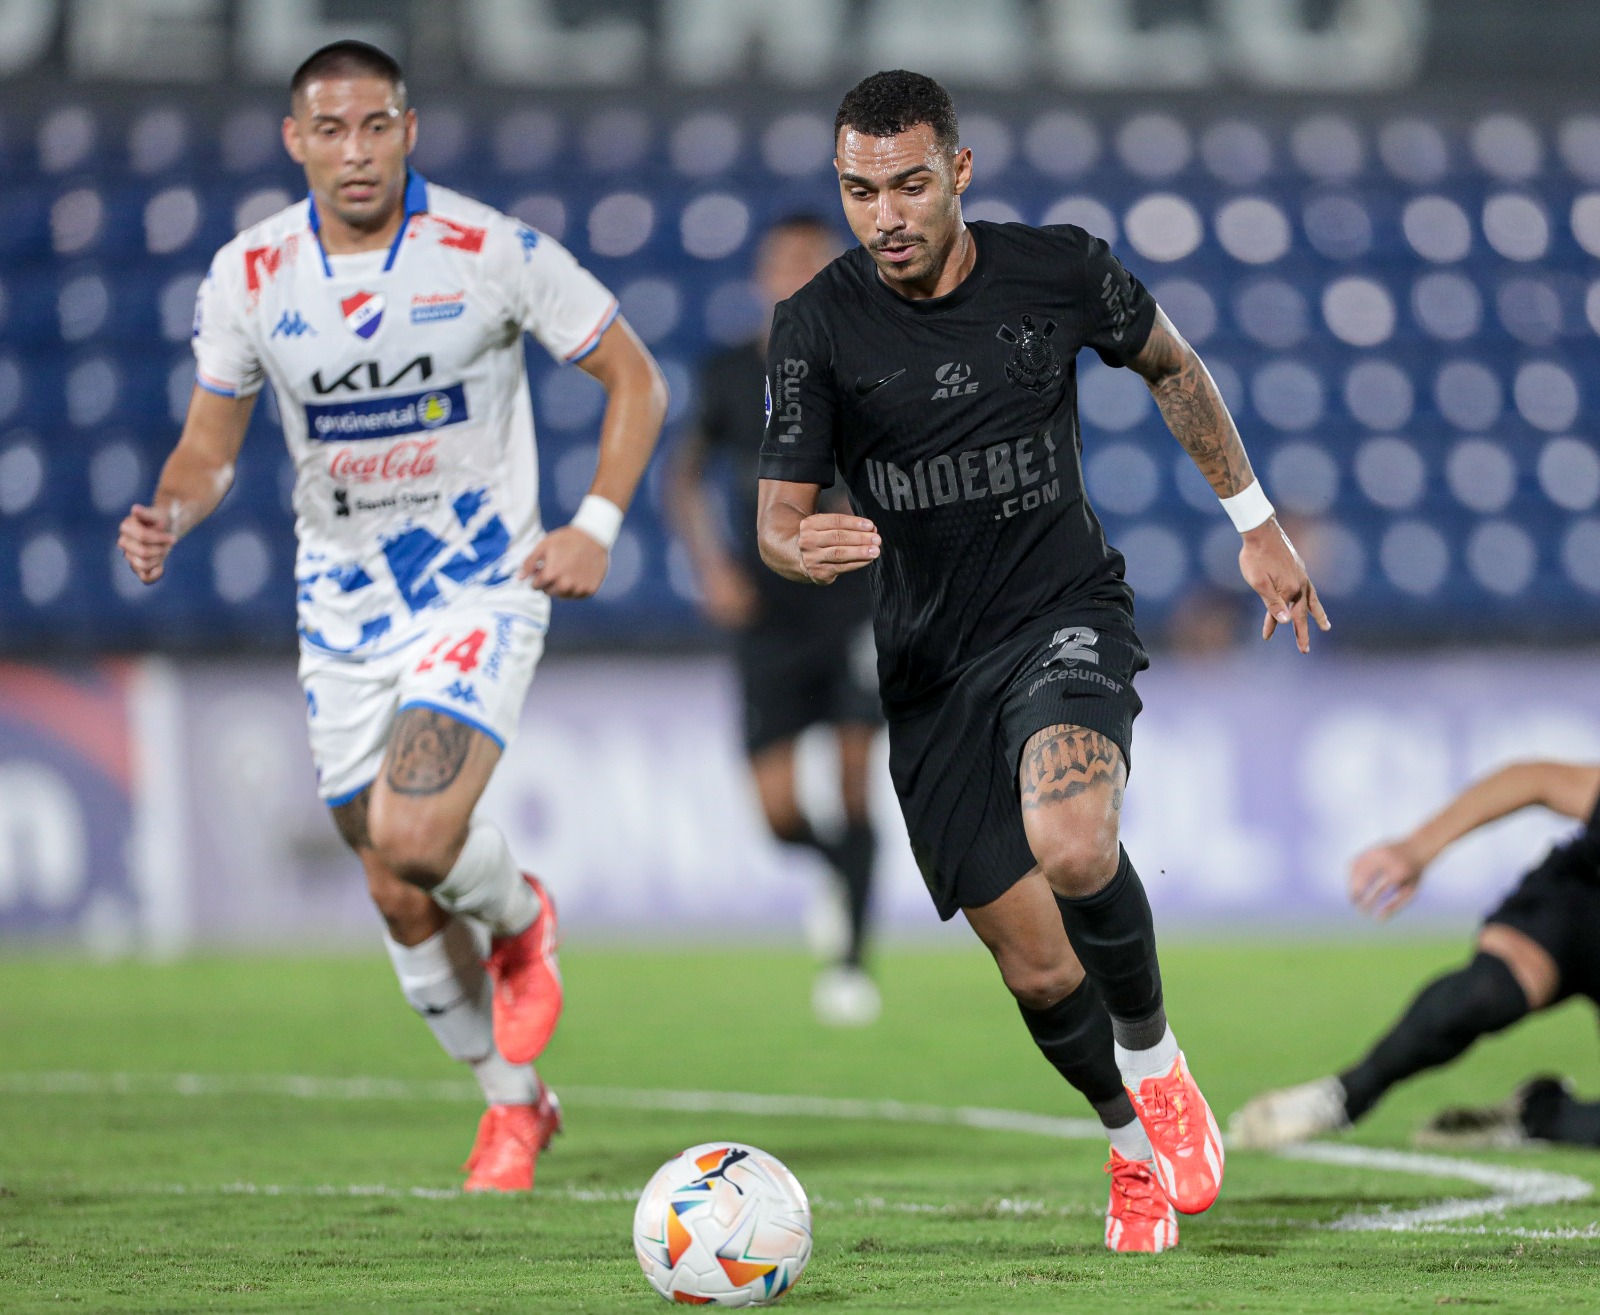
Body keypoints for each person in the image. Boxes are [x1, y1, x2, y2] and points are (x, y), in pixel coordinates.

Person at [755, 70, 1327, 1253]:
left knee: (1074, 839)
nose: (886, 216)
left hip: (1062, 613)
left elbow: (1170, 365)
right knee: (1034, 968)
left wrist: (1254, 519)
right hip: (926, 667)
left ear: (959, 172)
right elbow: (776, 516)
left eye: (910, 184)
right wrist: (799, 548)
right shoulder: (815, 324)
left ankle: (1159, 1061)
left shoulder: (1059, 271)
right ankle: (1127, 1142)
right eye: (860, 192)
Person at [115, 41, 667, 1192]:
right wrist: (172, 511)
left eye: (376, 126)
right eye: (331, 129)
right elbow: (207, 451)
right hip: (344, 605)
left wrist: (596, 525)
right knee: (391, 880)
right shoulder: (250, 275)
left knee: (419, 837)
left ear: (409, 129)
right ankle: (513, 1108)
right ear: (295, 140)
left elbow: (635, 377)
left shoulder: (489, 251)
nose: (355, 150)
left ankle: (521, 920)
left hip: (483, 580)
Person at [668, 215, 883, 1027]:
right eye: (784, 262)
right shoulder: (728, 372)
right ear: (762, 274)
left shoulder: (867, 361)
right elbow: (683, 476)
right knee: (777, 810)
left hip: (855, 597)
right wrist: (711, 567)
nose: (796, 274)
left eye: (812, 261)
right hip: (768, 607)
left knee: (858, 774)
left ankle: (853, 962)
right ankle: (835, 870)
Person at [1229, 760, 1600, 1150]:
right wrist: (1417, 849)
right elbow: (1536, 780)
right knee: (1486, 991)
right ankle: (1343, 1094)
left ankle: (1541, 1116)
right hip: (1583, 902)